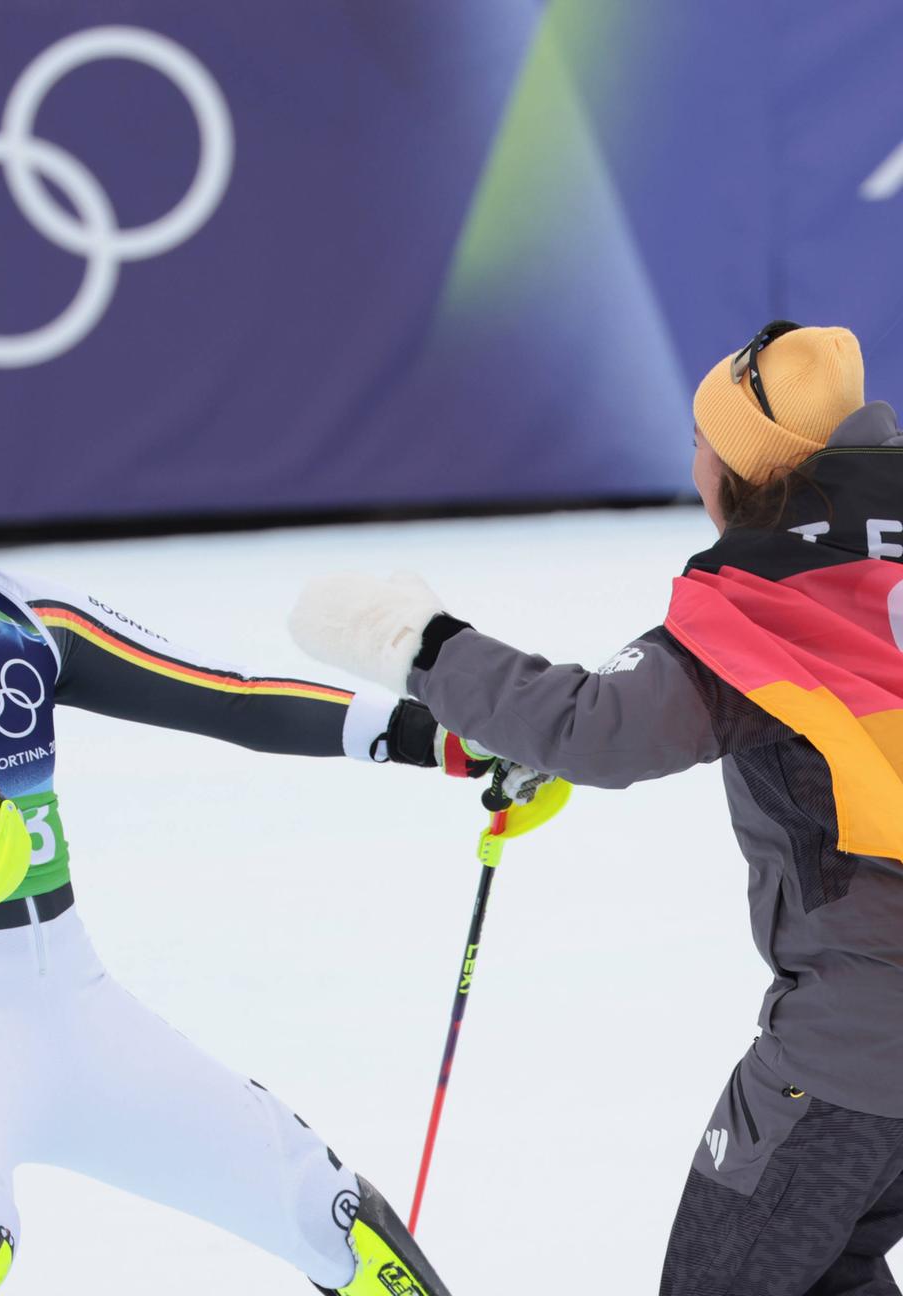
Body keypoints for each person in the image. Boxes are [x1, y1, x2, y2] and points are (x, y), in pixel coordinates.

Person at [0, 350, 489, 1295]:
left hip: (75, 1004)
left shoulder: (22, 615)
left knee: (327, 1209)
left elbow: (228, 696)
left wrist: (434, 736)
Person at [290, 321, 903, 1294]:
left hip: (854, 1055)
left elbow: (599, 727)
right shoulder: (874, 577)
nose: (690, 455)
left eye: (701, 437)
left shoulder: (770, 605)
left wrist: (416, 641)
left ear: (737, 472)